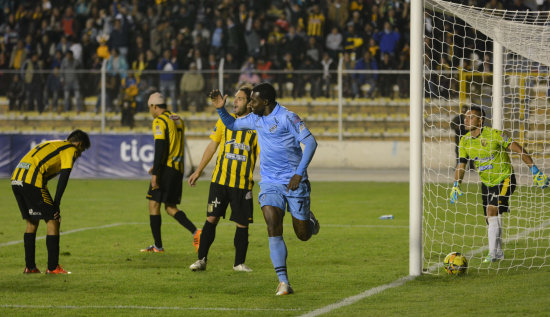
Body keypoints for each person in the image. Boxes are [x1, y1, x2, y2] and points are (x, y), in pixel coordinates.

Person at [213, 82, 320, 296]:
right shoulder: (256, 118)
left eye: (253, 100)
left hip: (294, 181)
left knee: (302, 234)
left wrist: (299, 173)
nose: (250, 104)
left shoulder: (287, 117)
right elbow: (232, 126)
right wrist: (220, 109)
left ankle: (309, 221)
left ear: (266, 101)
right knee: (272, 223)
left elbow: (311, 143)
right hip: (270, 182)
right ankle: (283, 282)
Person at [450, 106, 549, 263]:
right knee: (489, 219)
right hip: (486, 184)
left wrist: (535, 170)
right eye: (465, 117)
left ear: (480, 120)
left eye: (471, 117)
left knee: (491, 210)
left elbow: (519, 149)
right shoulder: (465, 140)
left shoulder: (494, 135)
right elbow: (461, 165)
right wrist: (456, 184)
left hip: (505, 179)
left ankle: (492, 254)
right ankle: (498, 252)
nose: (466, 120)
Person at [188, 85, 259, 272]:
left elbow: (264, 155)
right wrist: (198, 171)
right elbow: (212, 146)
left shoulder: (258, 126)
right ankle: (201, 259)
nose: (235, 102)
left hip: (242, 183)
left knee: (242, 224)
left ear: (250, 104)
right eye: (235, 98)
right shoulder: (224, 121)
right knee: (211, 218)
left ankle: (239, 263)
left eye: (240, 99)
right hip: (220, 181)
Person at [11, 129, 91, 274]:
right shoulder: (70, 149)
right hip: (32, 180)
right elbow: (64, 177)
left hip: (17, 178)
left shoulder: (54, 144)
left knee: (32, 221)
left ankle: (30, 267)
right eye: (82, 150)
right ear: (78, 144)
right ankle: (53, 267)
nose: (80, 154)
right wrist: (56, 204)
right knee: (53, 220)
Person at [141, 92, 201, 253]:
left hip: (167, 169)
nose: (150, 111)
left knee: (153, 204)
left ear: (154, 106)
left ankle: (158, 246)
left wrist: (156, 173)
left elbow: (160, 147)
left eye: (150, 108)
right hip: (177, 168)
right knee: (170, 207)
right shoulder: (177, 118)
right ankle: (197, 233)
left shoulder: (159, 121)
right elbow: (173, 144)